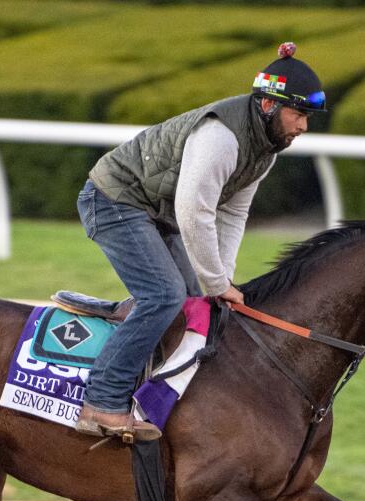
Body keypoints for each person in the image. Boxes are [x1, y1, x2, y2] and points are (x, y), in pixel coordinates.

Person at [74, 42, 327, 442]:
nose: (302, 127)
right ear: (267, 106)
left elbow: (232, 213)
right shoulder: (221, 138)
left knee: (197, 301)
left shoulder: (265, 148)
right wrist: (217, 283)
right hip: (113, 201)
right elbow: (195, 212)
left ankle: (156, 392)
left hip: (154, 211)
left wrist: (221, 283)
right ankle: (101, 403)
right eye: (298, 115)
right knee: (165, 296)